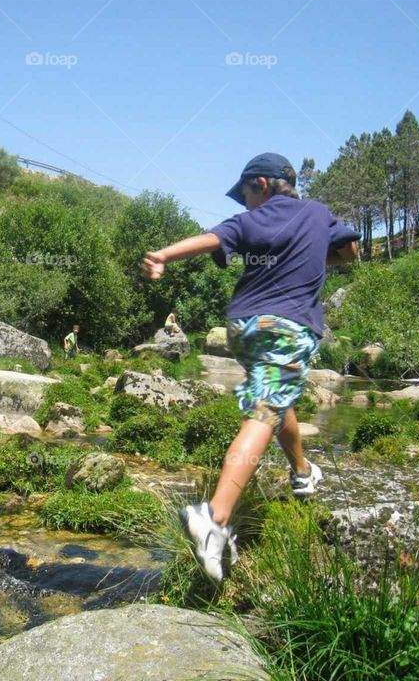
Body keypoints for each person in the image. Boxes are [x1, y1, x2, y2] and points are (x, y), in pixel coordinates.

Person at [142, 152, 359, 583]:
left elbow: (209, 239)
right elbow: (349, 252)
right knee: (265, 409)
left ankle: (302, 472)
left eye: (245, 194)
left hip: (244, 327)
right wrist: (317, 255)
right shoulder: (317, 214)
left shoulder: (250, 223)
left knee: (275, 400)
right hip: (287, 326)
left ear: (261, 183)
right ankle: (215, 518)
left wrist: (163, 256)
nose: (244, 204)